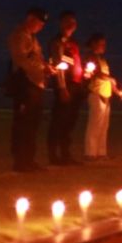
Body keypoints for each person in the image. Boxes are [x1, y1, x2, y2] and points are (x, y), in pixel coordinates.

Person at [7, 7, 49, 172]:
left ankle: (29, 159)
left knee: (33, 124)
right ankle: (20, 161)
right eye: (39, 22)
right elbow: (22, 59)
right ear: (30, 18)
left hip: (36, 84)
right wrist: (41, 68)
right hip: (25, 85)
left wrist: (46, 68)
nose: (41, 26)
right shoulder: (19, 36)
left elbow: (37, 59)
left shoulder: (33, 39)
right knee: (23, 124)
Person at [47, 11, 84, 165]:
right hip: (66, 86)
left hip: (76, 85)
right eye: (68, 21)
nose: (71, 25)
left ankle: (65, 154)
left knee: (69, 121)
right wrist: (62, 88)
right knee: (59, 120)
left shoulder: (73, 42)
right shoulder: (58, 42)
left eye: (74, 22)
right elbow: (59, 66)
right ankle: (54, 155)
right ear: (61, 23)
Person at [82, 33, 122, 160]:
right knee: (95, 124)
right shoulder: (90, 57)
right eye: (101, 44)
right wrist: (110, 79)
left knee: (104, 126)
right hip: (96, 94)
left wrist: (118, 92)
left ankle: (101, 152)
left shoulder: (102, 60)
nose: (104, 46)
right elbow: (96, 74)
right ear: (94, 44)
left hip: (106, 95)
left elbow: (107, 78)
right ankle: (90, 153)